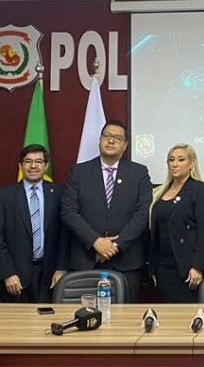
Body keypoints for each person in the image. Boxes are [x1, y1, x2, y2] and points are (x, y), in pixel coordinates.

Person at [61, 120, 152, 303]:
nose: (111, 141)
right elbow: (68, 211)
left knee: (124, 318)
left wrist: (114, 246)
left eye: (117, 138)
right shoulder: (79, 172)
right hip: (87, 260)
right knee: (87, 315)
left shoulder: (138, 173)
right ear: (99, 140)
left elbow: (142, 215)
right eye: (107, 136)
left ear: (125, 145)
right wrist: (95, 241)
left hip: (126, 262)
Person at [0, 144, 70, 303]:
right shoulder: (3, 196)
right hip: (15, 278)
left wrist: (61, 268)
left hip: (49, 276)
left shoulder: (59, 194)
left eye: (39, 161)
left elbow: (65, 236)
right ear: (20, 165)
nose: (33, 166)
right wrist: (7, 273)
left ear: (46, 166)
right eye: (28, 161)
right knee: (15, 319)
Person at [149, 144, 204, 302]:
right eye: (171, 160)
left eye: (181, 160)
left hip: (188, 270)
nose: (175, 164)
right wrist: (153, 268)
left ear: (191, 164)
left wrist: (198, 267)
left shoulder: (200, 191)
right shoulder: (161, 191)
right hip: (164, 268)